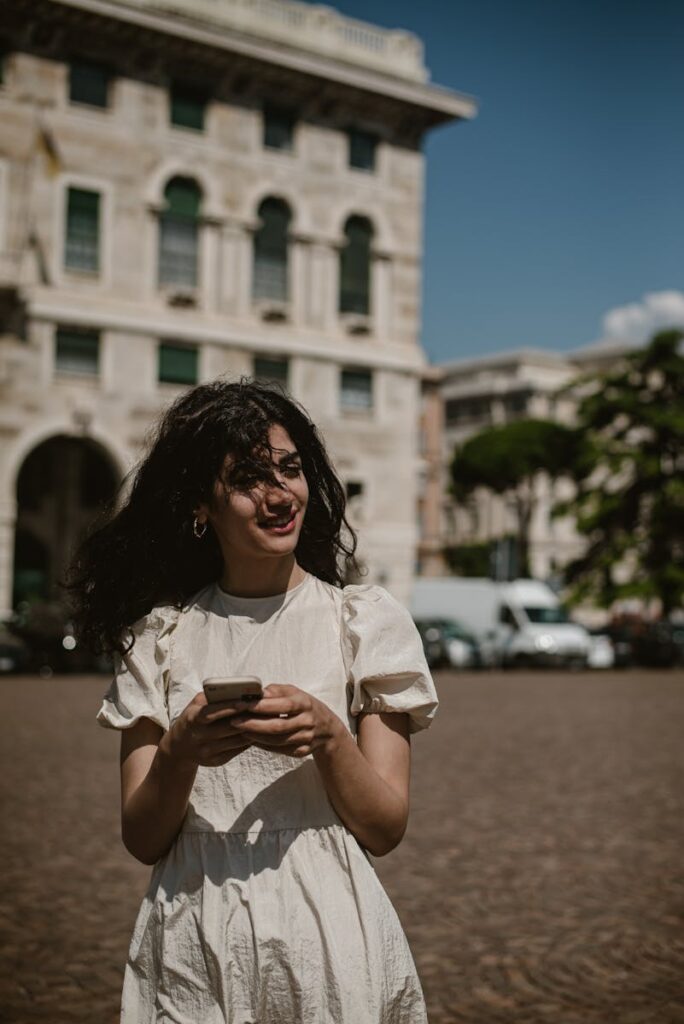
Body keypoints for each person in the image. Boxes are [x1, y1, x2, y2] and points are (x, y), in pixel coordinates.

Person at [69, 378, 438, 1024]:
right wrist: (181, 751)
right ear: (199, 507)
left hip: (330, 935)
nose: (279, 496)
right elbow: (142, 836)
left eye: (290, 470)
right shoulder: (160, 637)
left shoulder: (362, 622)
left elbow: (386, 826)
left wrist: (329, 738)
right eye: (247, 479)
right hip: (194, 939)